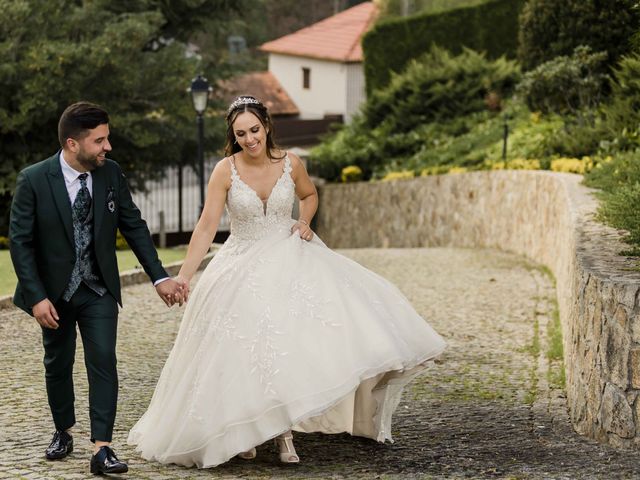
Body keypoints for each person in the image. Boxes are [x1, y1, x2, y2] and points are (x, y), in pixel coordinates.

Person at [128, 95, 447, 468]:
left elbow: (308, 195)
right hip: (240, 260)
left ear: (266, 126)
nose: (249, 139)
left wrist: (305, 221)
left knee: (289, 339)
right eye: (241, 133)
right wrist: (184, 275)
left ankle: (283, 431)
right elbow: (206, 225)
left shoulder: (290, 162)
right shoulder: (224, 170)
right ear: (233, 136)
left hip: (288, 253)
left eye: (254, 130)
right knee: (244, 345)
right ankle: (245, 429)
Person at [9, 102, 185, 475]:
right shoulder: (34, 179)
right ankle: (63, 429)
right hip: (53, 295)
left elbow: (133, 226)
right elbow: (20, 243)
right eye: (100, 140)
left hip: (98, 288)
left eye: (107, 138)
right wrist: (37, 297)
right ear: (73, 143)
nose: (108, 147)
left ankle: (102, 448)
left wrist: (159, 276)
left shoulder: (111, 175)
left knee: (103, 359)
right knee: (57, 363)